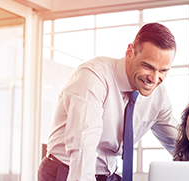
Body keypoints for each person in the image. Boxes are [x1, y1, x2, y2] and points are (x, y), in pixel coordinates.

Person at [38, 22, 179, 181]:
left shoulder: (158, 96)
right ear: (130, 52)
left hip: (108, 175)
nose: (154, 79)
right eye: (147, 66)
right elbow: (83, 147)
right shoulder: (94, 77)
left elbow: (181, 147)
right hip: (66, 171)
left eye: (163, 71)